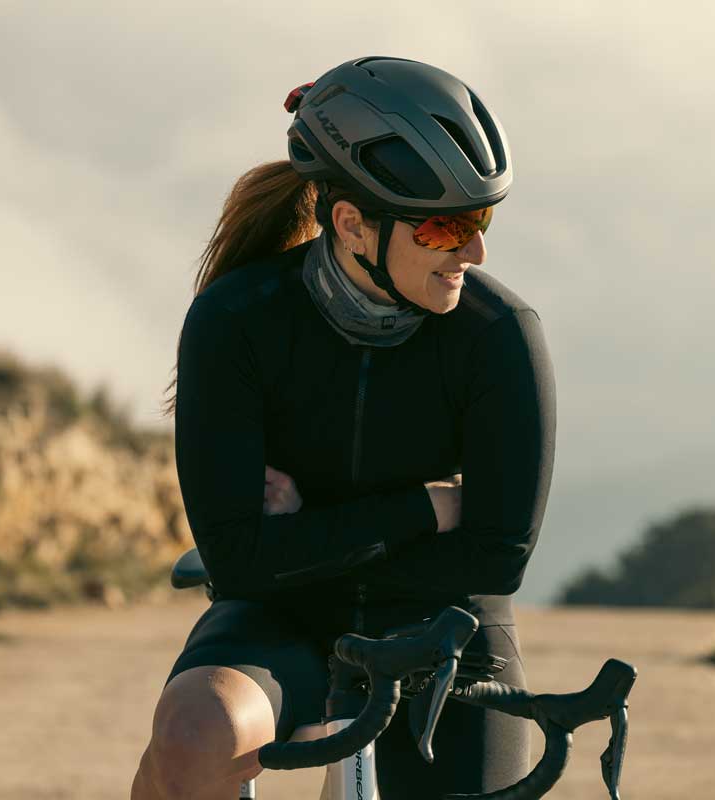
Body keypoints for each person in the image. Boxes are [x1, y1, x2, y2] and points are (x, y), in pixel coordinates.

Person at [130, 56, 556, 800]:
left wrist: (304, 537)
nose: (475, 252)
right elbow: (236, 564)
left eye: (481, 220)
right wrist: (425, 509)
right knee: (196, 733)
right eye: (446, 226)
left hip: (444, 629)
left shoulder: (501, 336)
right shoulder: (237, 321)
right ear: (353, 224)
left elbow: (493, 561)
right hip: (279, 622)